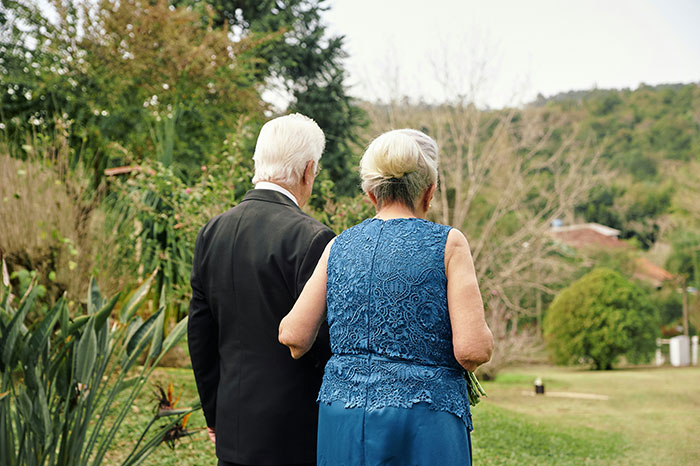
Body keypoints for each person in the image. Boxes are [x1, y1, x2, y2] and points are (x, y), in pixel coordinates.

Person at [279, 129, 494, 465]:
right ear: (429, 192)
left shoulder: (338, 245)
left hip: (345, 417)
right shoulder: (449, 243)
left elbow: (293, 336)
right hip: (423, 420)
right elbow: (472, 351)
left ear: (371, 194)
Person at [188, 113, 335, 466]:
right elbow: (324, 343)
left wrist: (215, 414)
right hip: (294, 434)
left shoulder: (211, 232)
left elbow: (200, 336)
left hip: (233, 429)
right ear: (308, 170)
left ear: (258, 164)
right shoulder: (314, 239)